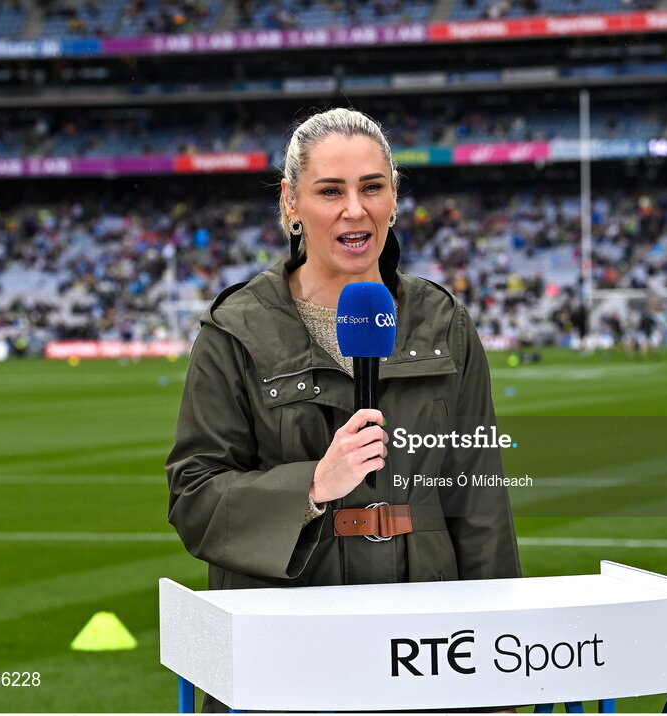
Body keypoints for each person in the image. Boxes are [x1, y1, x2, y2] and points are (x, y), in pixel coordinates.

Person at [165, 108, 521, 713]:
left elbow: (478, 501)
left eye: (372, 187)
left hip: (430, 640)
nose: (355, 210)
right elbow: (194, 498)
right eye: (330, 191)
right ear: (291, 204)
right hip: (286, 636)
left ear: (394, 197)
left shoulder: (444, 323)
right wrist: (312, 485)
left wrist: (498, 662)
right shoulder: (236, 329)